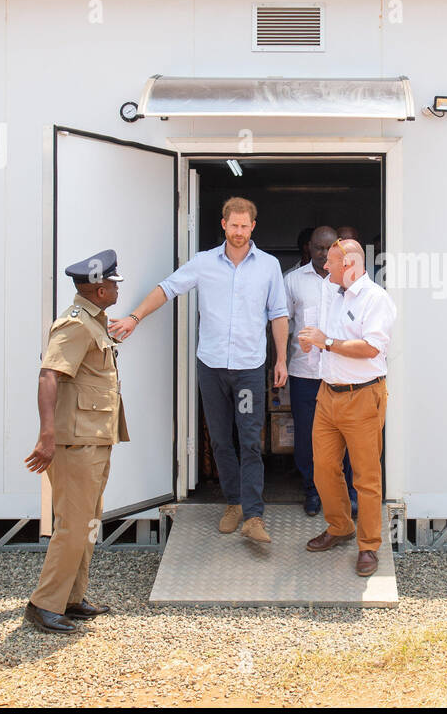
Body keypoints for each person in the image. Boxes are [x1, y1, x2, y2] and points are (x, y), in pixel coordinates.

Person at [109, 197, 288, 544]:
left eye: (244, 226)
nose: (238, 232)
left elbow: (279, 314)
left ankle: (253, 515)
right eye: (233, 225)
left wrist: (281, 359)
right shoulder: (204, 263)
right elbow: (167, 288)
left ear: (253, 226)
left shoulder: (268, 266)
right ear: (223, 225)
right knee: (221, 440)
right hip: (212, 368)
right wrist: (134, 317)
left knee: (250, 440)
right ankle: (233, 503)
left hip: (250, 370)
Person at [23, 249, 129, 634]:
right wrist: (46, 435)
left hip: (95, 438)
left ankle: (72, 597)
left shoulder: (94, 322)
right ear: (98, 289)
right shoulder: (74, 325)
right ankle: (43, 603)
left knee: (88, 522)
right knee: (72, 524)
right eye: (113, 282)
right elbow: (48, 375)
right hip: (74, 442)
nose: (117, 287)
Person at [298, 238, 396, 577]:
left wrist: (325, 341)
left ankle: (369, 546)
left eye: (332, 263)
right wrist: (313, 340)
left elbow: (371, 348)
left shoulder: (376, 299)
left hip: (363, 396)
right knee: (324, 467)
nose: (325, 267)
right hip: (328, 395)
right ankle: (340, 527)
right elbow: (325, 335)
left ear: (350, 265)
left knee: (366, 477)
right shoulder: (332, 292)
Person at [284, 225, 357, 518]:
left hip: (342, 373)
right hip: (304, 373)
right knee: (307, 437)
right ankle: (312, 491)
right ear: (308, 248)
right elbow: (282, 324)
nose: (324, 254)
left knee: (347, 436)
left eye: (330, 248)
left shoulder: (350, 281)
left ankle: (348, 493)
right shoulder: (292, 281)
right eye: (318, 248)